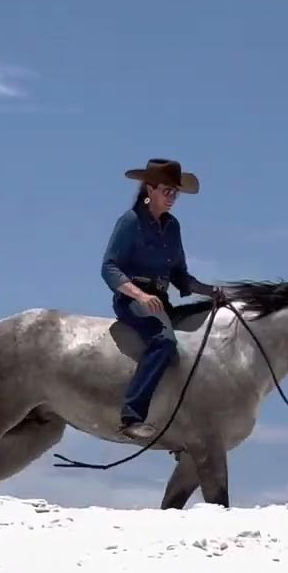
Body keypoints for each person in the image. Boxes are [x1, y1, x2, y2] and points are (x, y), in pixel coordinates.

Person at [101, 158, 225, 440]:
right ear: (150, 189)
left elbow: (180, 275)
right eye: (166, 191)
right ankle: (132, 416)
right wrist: (140, 295)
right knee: (164, 341)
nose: (172, 197)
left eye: (175, 192)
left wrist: (210, 291)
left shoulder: (172, 227)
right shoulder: (130, 221)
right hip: (132, 300)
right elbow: (109, 267)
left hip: (161, 300)